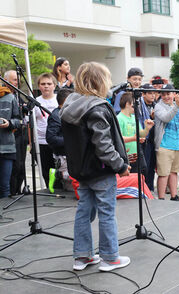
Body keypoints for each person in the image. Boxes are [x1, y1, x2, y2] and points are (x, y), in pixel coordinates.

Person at [60, 62, 131, 272]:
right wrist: (120, 166)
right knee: (106, 213)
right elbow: (104, 146)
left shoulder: (70, 105)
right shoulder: (97, 107)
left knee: (84, 212)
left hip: (82, 171)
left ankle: (82, 256)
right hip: (101, 171)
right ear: (100, 81)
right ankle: (110, 257)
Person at [45, 88, 74, 192]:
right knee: (70, 188)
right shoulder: (56, 116)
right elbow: (51, 138)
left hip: (70, 154)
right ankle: (58, 174)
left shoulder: (67, 113)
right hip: (63, 156)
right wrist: (71, 140)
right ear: (66, 100)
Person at [4, 70, 27, 196]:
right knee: (12, 169)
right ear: (6, 81)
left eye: (18, 80)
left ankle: (18, 191)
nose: (17, 83)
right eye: (14, 80)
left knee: (21, 167)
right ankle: (11, 193)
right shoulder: (4, 96)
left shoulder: (18, 95)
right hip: (9, 137)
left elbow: (22, 116)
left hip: (21, 137)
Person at [35, 73, 59, 187]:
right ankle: (51, 189)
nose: (46, 86)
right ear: (39, 86)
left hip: (57, 141)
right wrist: (31, 143)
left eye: (49, 84)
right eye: (43, 84)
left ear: (54, 85)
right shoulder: (35, 102)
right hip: (41, 142)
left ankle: (59, 188)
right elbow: (32, 124)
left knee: (58, 169)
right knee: (46, 170)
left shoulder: (59, 100)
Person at [0, 79, 21, 198]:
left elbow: (19, 121)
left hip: (6, 149)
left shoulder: (10, 98)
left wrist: (9, 123)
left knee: (4, 186)